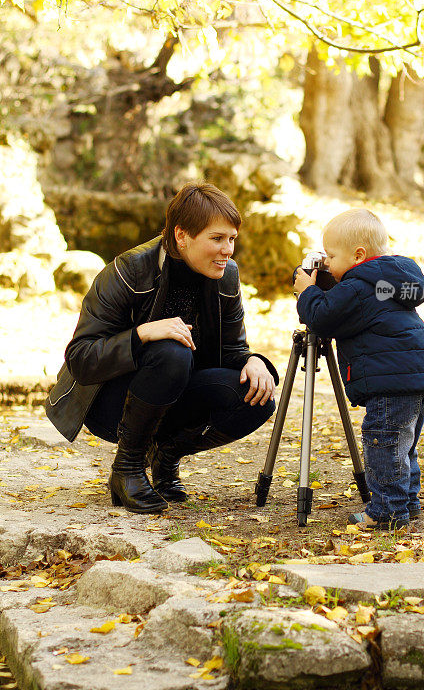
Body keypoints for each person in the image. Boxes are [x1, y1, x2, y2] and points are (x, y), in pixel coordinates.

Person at [45, 183, 278, 514]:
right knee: (171, 349)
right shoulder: (129, 270)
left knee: (257, 396)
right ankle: (127, 467)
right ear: (182, 236)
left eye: (231, 239)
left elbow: (233, 351)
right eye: (217, 238)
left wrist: (253, 361)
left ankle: (166, 454)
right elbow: (81, 359)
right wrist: (141, 334)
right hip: (108, 403)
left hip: (173, 393)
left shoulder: (226, 276)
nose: (228, 250)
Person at [293, 209, 424, 530]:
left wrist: (307, 290)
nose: (327, 263)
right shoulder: (390, 278)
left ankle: (387, 512)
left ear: (358, 255)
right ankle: (406, 503)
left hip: (389, 381)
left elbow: (321, 317)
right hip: (416, 373)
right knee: (404, 447)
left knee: (384, 445)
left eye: (331, 256)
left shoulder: (358, 286)